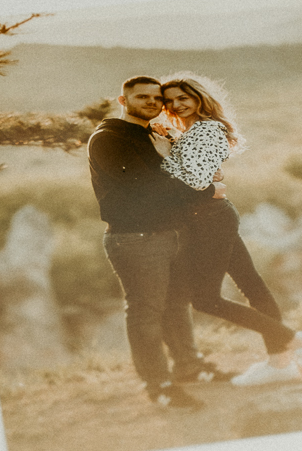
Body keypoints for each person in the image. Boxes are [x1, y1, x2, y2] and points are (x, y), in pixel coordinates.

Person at [155, 75, 302, 386]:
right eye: (170, 101)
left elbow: (196, 181)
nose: (176, 104)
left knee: (205, 299)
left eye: (183, 97)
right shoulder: (190, 132)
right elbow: (200, 179)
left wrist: (165, 155)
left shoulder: (208, 129)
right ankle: (280, 364)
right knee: (252, 287)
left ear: (198, 97)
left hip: (210, 220)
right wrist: (173, 146)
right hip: (209, 218)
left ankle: (297, 341)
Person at [86, 76, 210, 409]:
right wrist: (201, 188)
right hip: (135, 238)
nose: (153, 102)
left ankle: (190, 368)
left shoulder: (153, 135)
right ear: (123, 101)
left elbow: (180, 181)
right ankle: (159, 386)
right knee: (146, 311)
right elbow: (147, 188)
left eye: (157, 98)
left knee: (176, 304)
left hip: (171, 233)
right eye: (143, 97)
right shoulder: (108, 139)